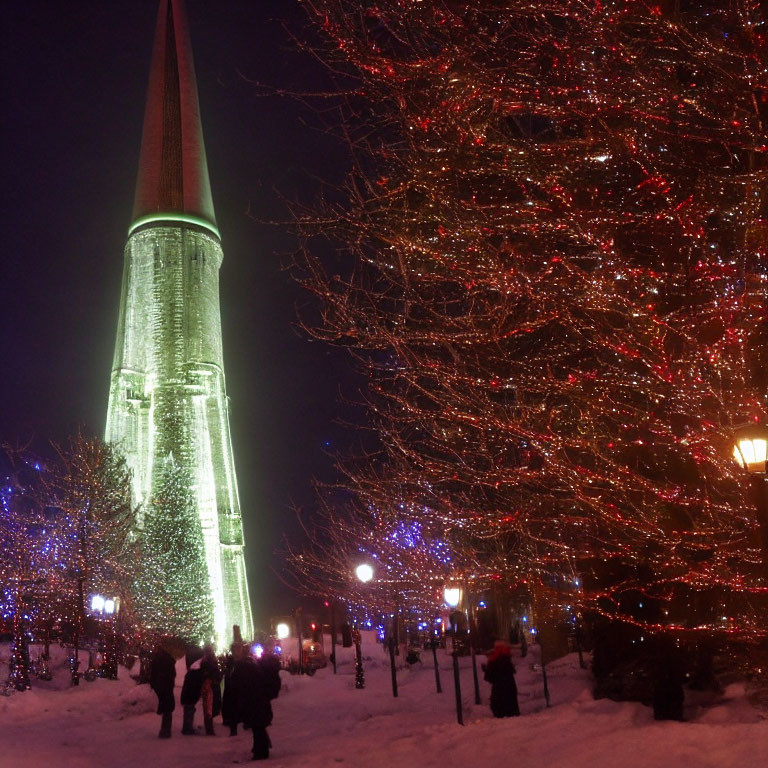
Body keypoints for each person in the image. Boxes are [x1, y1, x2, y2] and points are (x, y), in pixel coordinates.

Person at [232, 646, 282, 760]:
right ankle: (260, 748)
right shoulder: (257, 670)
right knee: (258, 727)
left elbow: (239, 686)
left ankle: (261, 751)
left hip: (256, 704)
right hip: (260, 703)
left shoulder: (248, 671)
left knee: (257, 727)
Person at [483, 640, 520, 718]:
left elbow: (490, 677)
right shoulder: (506, 659)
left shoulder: (494, 660)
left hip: (499, 690)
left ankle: (503, 713)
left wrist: (486, 670)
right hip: (508, 688)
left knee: (500, 704)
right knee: (509, 703)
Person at [149, 640, 176, 738]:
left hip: (161, 686)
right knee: (167, 710)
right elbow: (173, 674)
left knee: (166, 709)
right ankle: (166, 731)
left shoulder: (157, 660)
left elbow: (153, 674)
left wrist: (154, 684)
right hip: (167, 687)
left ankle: (164, 731)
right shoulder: (168, 659)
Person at [180, 646, 205, 735]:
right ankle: (187, 729)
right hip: (189, 696)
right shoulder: (196, 673)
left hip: (187, 696)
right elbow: (194, 686)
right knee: (189, 712)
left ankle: (187, 727)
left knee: (188, 711)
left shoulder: (191, 671)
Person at [200, 645, 222, 735]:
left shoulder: (207, 660)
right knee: (209, 707)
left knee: (209, 707)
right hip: (209, 685)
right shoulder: (208, 661)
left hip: (210, 684)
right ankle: (209, 729)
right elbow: (212, 672)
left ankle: (209, 728)